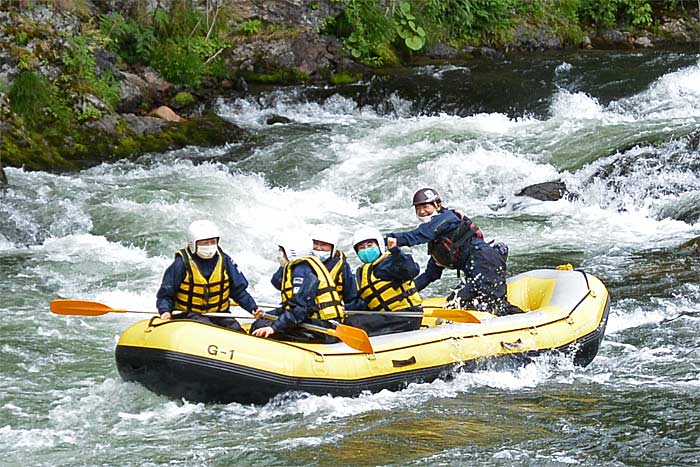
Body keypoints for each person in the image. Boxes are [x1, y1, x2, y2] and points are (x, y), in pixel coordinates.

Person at [386, 188, 522, 316]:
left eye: (425, 207)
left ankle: (524, 322)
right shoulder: (439, 241)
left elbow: (420, 234)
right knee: (455, 300)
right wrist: (406, 293)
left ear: (438, 205)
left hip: (487, 265)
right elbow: (430, 275)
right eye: (418, 209)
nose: (421, 212)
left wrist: (391, 239)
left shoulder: (448, 218)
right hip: (474, 272)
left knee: (495, 306)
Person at [156, 220, 263, 331]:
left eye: (212, 242)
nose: (209, 246)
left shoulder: (225, 260)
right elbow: (166, 293)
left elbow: (238, 291)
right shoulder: (181, 263)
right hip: (188, 316)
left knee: (236, 330)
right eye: (204, 243)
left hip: (219, 315)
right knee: (206, 327)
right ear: (193, 243)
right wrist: (165, 311)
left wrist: (252, 308)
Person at [250, 232, 345, 343]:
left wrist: (273, 327)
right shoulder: (298, 267)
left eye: (282, 251)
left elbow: (299, 309)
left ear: (291, 252)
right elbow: (294, 306)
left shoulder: (302, 271)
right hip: (314, 319)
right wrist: (267, 314)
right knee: (262, 321)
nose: (279, 254)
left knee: (261, 326)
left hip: (324, 328)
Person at [344, 226, 423, 336]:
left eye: (370, 245)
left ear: (379, 245)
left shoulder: (390, 262)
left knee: (352, 323)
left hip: (407, 316)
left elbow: (410, 271)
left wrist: (396, 252)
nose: (366, 250)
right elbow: (363, 304)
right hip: (387, 317)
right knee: (347, 320)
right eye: (361, 248)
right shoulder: (362, 273)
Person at [270, 226, 365, 310]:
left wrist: (343, 308)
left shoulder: (342, 267)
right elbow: (277, 283)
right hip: (299, 310)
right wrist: (286, 264)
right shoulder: (298, 262)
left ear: (333, 248)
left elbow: (352, 297)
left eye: (323, 245)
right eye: (315, 243)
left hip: (325, 314)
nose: (319, 248)